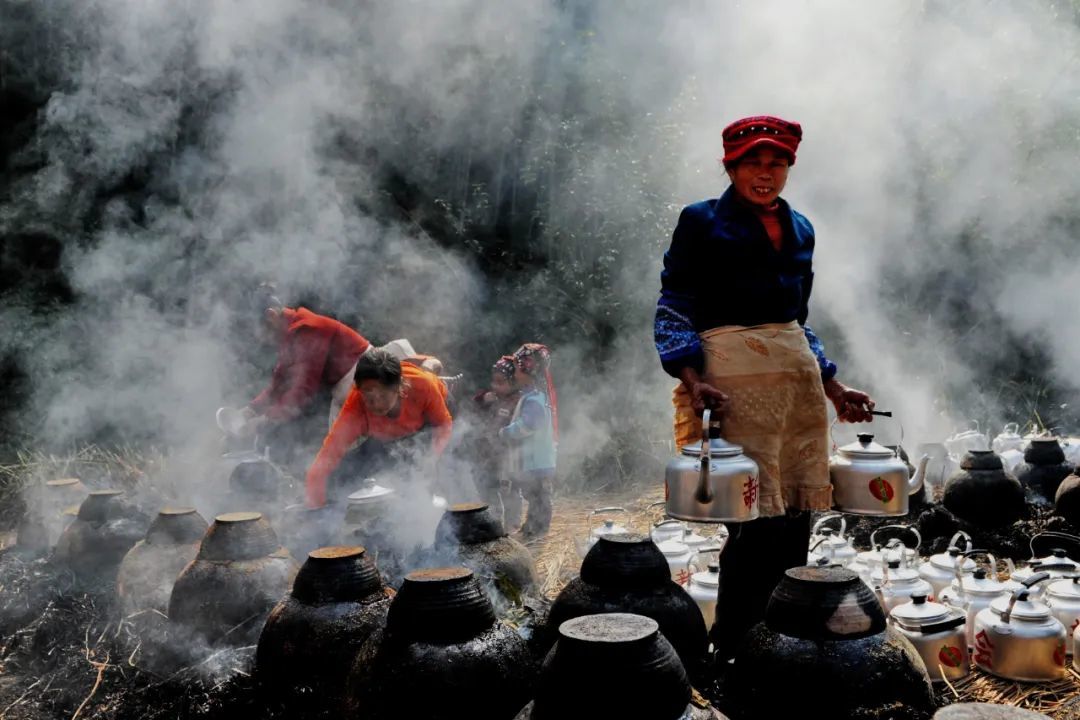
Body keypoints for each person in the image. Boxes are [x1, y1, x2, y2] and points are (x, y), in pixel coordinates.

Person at [653, 115, 876, 662]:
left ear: (789, 168)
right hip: (734, 390)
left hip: (797, 394)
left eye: (777, 162)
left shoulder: (801, 229)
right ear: (730, 167)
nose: (765, 172)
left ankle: (783, 642)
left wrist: (833, 385)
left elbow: (796, 322)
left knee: (796, 519)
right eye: (752, 161)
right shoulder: (701, 221)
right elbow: (675, 304)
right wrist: (694, 379)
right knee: (751, 525)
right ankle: (735, 647)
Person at [304, 348, 454, 509]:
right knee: (340, 476)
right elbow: (328, 455)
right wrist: (315, 506)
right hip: (388, 437)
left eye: (383, 396)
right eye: (369, 398)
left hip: (433, 424)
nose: (377, 405)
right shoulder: (355, 408)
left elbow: (443, 425)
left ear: (399, 387)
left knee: (428, 469)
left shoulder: (423, 385)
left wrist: (431, 459)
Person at [241, 286, 371, 467]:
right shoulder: (290, 334)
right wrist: (251, 410)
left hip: (366, 382)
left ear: (271, 316)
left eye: (260, 332)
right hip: (346, 388)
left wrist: (265, 420)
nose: (261, 339)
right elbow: (280, 383)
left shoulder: (306, 329)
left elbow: (303, 390)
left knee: (347, 457)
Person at [499, 343, 558, 540]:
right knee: (535, 497)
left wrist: (507, 432)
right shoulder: (535, 396)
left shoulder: (534, 399)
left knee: (539, 497)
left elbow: (529, 425)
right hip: (537, 460)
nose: (515, 373)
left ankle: (538, 531)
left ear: (528, 370)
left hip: (536, 461)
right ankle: (531, 527)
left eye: (517, 368)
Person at [467, 356, 522, 524]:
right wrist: (483, 399)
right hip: (487, 454)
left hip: (508, 456)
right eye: (494, 382)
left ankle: (512, 524)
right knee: (486, 486)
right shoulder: (490, 398)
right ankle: (494, 521)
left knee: (511, 490)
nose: (495, 386)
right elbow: (473, 409)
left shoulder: (519, 401)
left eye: (501, 382)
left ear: (514, 382)